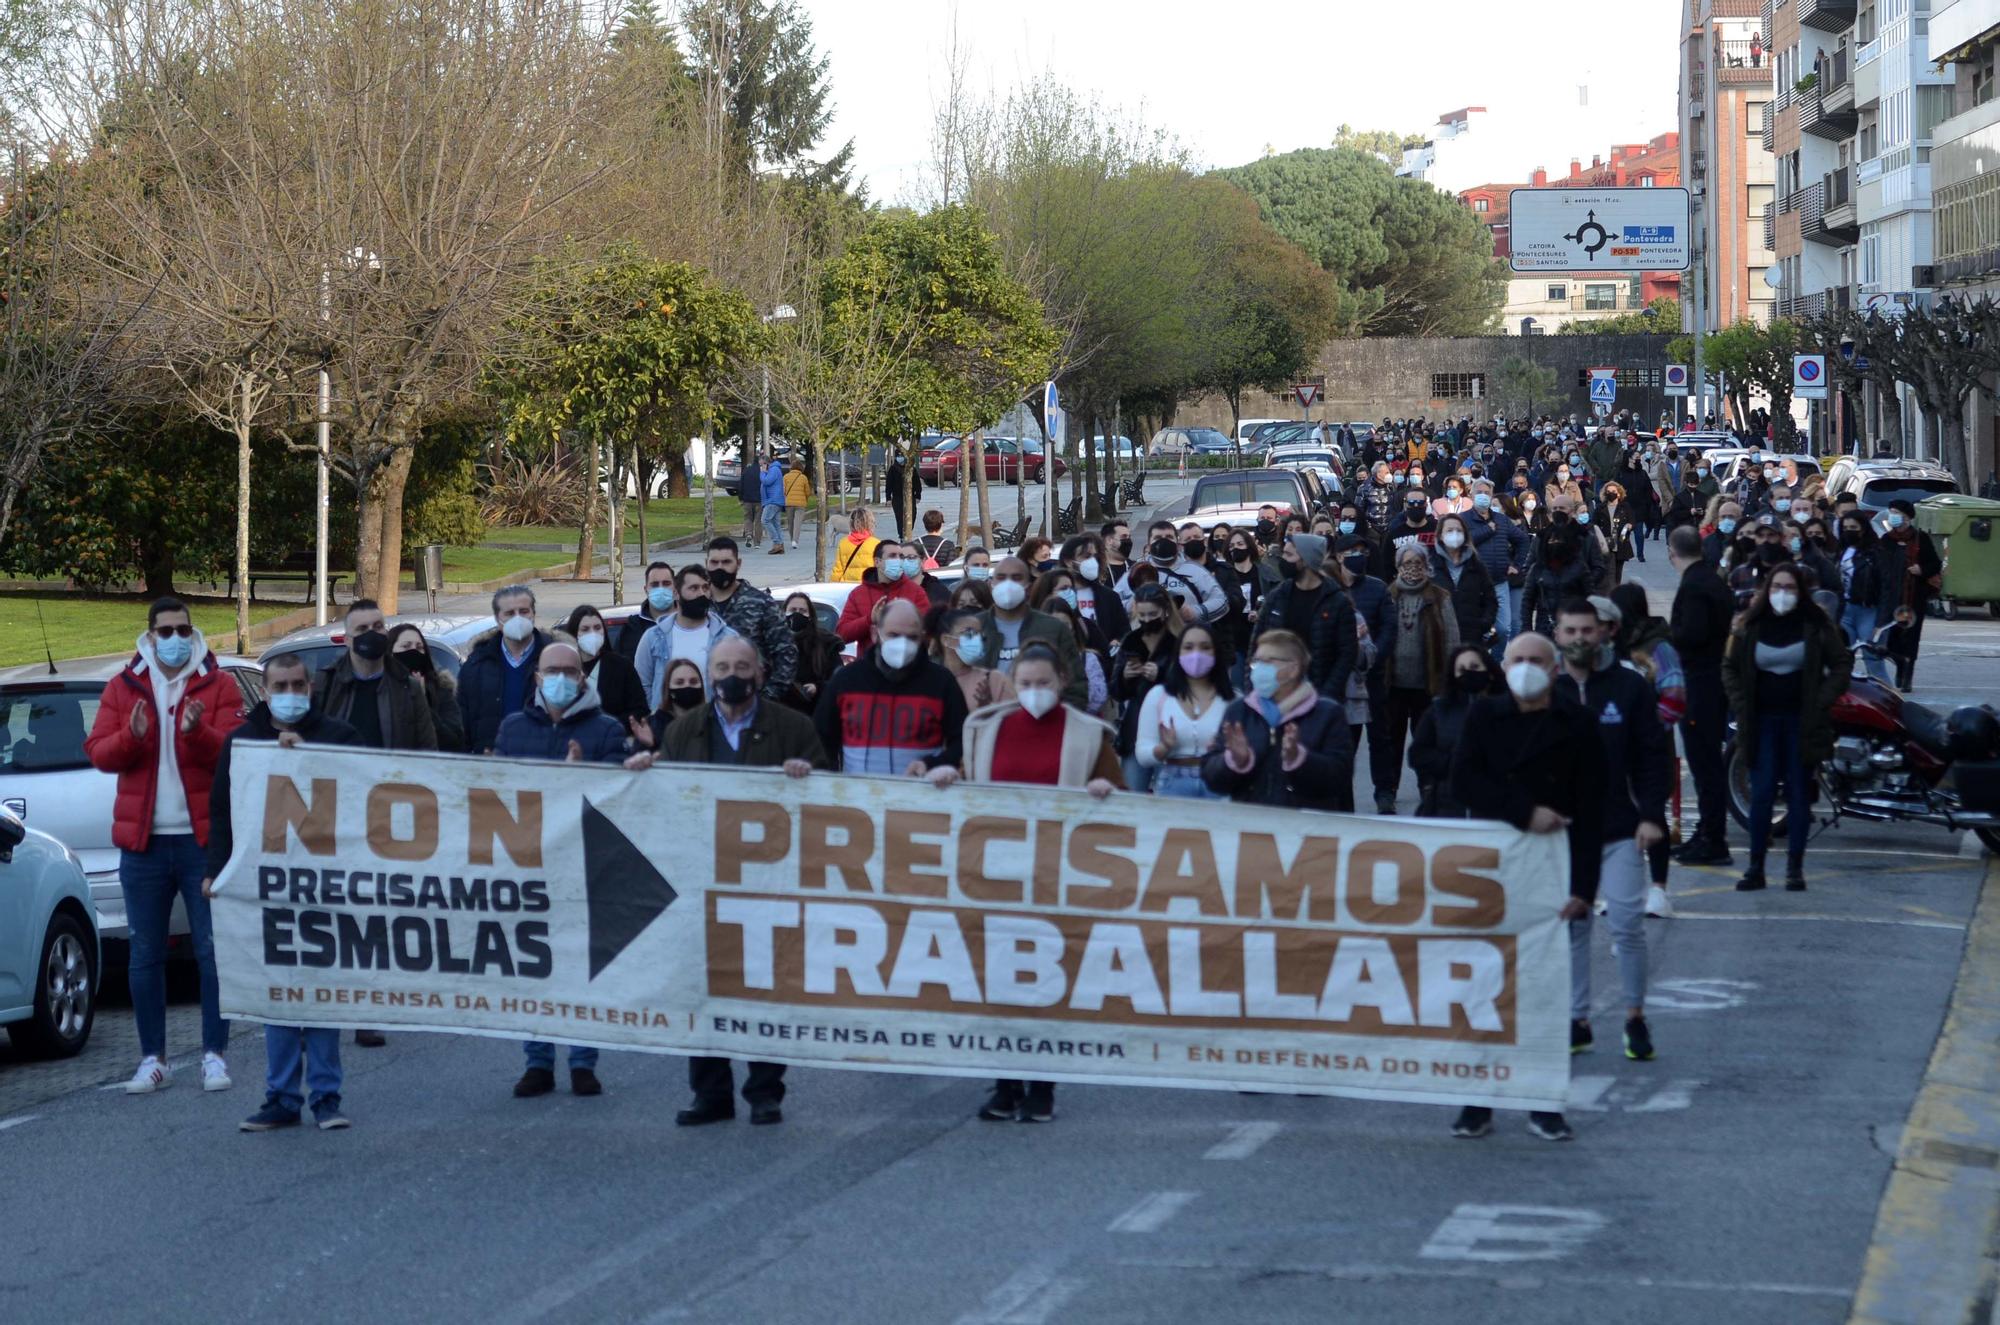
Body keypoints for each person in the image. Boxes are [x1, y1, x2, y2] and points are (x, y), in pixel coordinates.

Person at [645, 636, 826, 1126]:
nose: (731, 674)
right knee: (704, 990)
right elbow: (664, 803)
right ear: (709, 673)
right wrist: (643, 774)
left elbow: (831, 797)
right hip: (701, 884)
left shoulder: (793, 728)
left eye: (741, 666)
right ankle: (711, 1094)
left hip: (769, 885)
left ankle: (765, 1092)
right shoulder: (684, 732)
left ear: (760, 674)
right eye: (721, 665)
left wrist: (809, 776)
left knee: (765, 991)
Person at [955, 642, 1122, 1123]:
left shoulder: (1088, 735)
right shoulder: (987, 730)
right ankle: (1007, 1085)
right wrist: (948, 775)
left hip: (1058, 876)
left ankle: (1042, 1086)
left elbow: (1123, 799)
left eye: (1042, 684)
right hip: (998, 875)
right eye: (1024, 684)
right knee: (1000, 980)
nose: (1032, 693)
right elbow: (972, 786)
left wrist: (1103, 794)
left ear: (1062, 683)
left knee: (1045, 980)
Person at [1446, 632, 1604, 1143]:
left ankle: (1543, 1103)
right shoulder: (1484, 716)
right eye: (1518, 660)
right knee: (1484, 986)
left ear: (1555, 669)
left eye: (1537, 660)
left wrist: (1585, 886)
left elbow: (1593, 807)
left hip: (1552, 870)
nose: (1527, 668)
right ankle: (1477, 1101)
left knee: (1543, 991)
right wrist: (1523, 813)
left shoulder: (1577, 722)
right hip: (1493, 865)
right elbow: (1464, 782)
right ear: (1503, 666)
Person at [85, 598, 243, 1096]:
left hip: (202, 843)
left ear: (193, 633)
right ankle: (152, 1058)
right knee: (145, 955)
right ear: (149, 636)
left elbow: (234, 754)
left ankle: (214, 1054)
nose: (175, 639)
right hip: (144, 845)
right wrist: (131, 737)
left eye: (183, 629)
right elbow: (99, 753)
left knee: (211, 952)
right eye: (165, 631)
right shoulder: (122, 686)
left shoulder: (218, 683)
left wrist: (198, 733)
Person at [204, 653, 360, 1130]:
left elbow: (363, 800)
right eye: (280, 685)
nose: (289, 693)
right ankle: (282, 1098)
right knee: (277, 995)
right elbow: (222, 813)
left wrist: (308, 757)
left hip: (324, 886)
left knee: (320, 991)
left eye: (297, 684)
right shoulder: (242, 743)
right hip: (266, 888)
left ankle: (327, 1098)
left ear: (309, 688)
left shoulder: (339, 738)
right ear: (265, 691)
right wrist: (215, 872)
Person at [495, 641, 629, 1098]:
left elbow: (619, 797)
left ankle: (582, 1061)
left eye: (569, 672)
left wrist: (580, 776)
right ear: (537, 677)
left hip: (584, 865)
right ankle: (537, 1061)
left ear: (582, 678)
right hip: (530, 865)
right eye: (552, 670)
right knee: (535, 966)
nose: (560, 679)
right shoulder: (513, 729)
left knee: (578, 965)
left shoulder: (606, 730)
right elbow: (499, 794)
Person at [313, 600, 439, 1049]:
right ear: (346, 639)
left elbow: (427, 751)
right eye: (362, 627)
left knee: (381, 912)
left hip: (391, 815)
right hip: (337, 816)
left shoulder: (406, 686)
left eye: (378, 625)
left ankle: (370, 1006)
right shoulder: (326, 684)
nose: (372, 633)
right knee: (343, 911)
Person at [1553, 599, 1668, 1062]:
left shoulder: (1629, 687)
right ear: (1558, 635)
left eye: (1587, 630)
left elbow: (1652, 756)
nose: (1580, 638)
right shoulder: (1548, 690)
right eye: (1571, 631)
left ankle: (1635, 1017)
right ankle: (1576, 1020)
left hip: (1619, 827)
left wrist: (1650, 816)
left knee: (1626, 925)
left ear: (1603, 633)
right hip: (1562, 833)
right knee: (1572, 928)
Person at [1723, 566, 1850, 892]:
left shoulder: (1816, 625)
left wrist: (1822, 699)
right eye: (1777, 586)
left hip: (1801, 722)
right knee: (1762, 793)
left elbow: (1841, 663)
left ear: (1801, 591)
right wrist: (1740, 701)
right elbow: (1730, 667)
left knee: (1798, 795)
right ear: (1767, 589)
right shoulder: (1750, 625)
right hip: (1761, 721)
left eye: (1789, 587)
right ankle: (1755, 868)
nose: (1782, 593)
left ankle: (1795, 868)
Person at [1200, 628, 1354, 810]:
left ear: (1294, 668)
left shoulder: (1327, 714)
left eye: (1268, 662)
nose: (1258, 669)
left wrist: (1300, 759)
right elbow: (1212, 779)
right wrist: (1234, 761)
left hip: (1307, 829)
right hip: (1251, 826)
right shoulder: (1240, 710)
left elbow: (1339, 778)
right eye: (1256, 662)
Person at [815, 598, 968, 778]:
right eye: (894, 635)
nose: (902, 645)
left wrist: (934, 765)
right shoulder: (847, 680)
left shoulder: (942, 682)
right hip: (858, 798)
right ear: (875, 634)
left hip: (920, 797)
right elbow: (820, 737)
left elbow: (962, 740)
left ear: (923, 638)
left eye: (911, 637)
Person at [1610, 583, 1685, 919]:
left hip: (1650, 746)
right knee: (1620, 819)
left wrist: (1650, 728)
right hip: (1614, 745)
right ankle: (1625, 887)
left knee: (1652, 814)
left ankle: (1659, 889)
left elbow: (1674, 694)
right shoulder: (1611, 647)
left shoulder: (1658, 647)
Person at [1668, 525, 1737, 867]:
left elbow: (1691, 634)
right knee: (1706, 764)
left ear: (1671, 552)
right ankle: (1708, 832)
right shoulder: (1712, 580)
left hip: (1700, 684)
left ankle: (1714, 839)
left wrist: (1667, 636)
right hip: (1710, 681)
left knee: (1705, 765)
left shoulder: (1695, 586)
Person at [1373, 545, 1461, 813]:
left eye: (1418, 562)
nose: (1412, 567)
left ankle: (1428, 788)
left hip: (1428, 684)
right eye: (1407, 562)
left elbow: (1452, 639)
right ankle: (1387, 792)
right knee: (1390, 742)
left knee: (1426, 742)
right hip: (1393, 684)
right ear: (1398, 566)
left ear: (1426, 565)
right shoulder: (1387, 595)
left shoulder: (1439, 596)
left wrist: (1449, 681)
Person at [1134, 622, 1231, 799]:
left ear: (1216, 652)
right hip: (1172, 784)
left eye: (1205, 647)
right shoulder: (1158, 696)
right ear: (1178, 654)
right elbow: (1143, 754)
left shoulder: (1232, 700)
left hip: (1220, 783)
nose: (1196, 654)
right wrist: (1163, 748)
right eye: (1188, 647)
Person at [977, 556, 1087, 706]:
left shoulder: (1054, 628)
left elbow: (1076, 686)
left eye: (1016, 578)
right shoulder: (973, 628)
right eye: (1001, 578)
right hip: (989, 723)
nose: (1008, 584)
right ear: (991, 585)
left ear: (1028, 587)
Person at [457, 585, 551, 753]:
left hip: (542, 764)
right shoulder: (475, 666)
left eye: (523, 611)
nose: (517, 618)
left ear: (533, 614)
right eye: (509, 613)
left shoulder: (557, 659)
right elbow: (462, 726)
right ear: (497, 619)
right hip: (491, 765)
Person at [633, 565, 741, 709]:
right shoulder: (653, 637)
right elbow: (642, 684)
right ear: (676, 594)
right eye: (694, 588)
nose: (701, 594)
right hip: (667, 726)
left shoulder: (728, 638)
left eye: (705, 588)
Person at [705, 537, 798, 701]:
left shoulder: (761, 603)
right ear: (706, 563)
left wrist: (766, 698)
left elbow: (786, 653)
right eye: (714, 562)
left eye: (726, 562)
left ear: (738, 563)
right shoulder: (698, 605)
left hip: (752, 704)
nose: (720, 568)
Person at [1407, 645, 1492, 817]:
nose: (1469, 673)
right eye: (1461, 669)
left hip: (1492, 807)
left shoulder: (1503, 708)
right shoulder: (1438, 710)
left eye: (1475, 667)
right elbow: (1418, 754)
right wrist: (1453, 763)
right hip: (1448, 806)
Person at [1113, 585, 1180, 792]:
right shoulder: (1131, 641)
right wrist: (1125, 677)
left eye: (1153, 614)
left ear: (1165, 611)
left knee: (1167, 796)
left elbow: (1191, 684)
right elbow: (1116, 691)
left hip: (1171, 727)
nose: (1147, 620)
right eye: (1142, 615)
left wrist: (1162, 676)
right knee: (1132, 794)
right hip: (1136, 728)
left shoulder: (1179, 642)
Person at [1876, 499, 1942, 689]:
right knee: (1891, 639)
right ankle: (1900, 662)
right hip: (1891, 599)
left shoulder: (1920, 538)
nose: (1893, 517)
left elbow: (1935, 563)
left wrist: (1921, 569)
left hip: (1914, 599)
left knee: (1911, 638)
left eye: (1897, 513)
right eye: (1891, 512)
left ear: (1908, 517)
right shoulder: (1887, 540)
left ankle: (1907, 677)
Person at [565, 605, 649, 725]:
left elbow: (640, 709)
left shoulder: (622, 666)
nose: (592, 633)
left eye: (597, 628)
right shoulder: (563, 667)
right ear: (574, 633)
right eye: (585, 629)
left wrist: (609, 726)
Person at [387, 623, 464, 753]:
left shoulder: (441, 689)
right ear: (390, 652)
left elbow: (453, 741)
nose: (414, 651)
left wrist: (421, 701)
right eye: (406, 646)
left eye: (419, 647)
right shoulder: (380, 689)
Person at [836, 540, 930, 645]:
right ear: (877, 562)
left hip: (907, 658)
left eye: (901, 556)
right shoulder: (858, 594)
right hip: (870, 660)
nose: (898, 560)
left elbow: (928, 630)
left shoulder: (916, 591)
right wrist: (870, 619)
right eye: (892, 556)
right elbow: (842, 634)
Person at [1429, 513, 1497, 648]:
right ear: (1440, 535)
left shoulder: (1476, 565)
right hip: (1439, 637)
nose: (1454, 534)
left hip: (1471, 637)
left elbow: (1490, 598)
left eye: (1459, 530)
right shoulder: (1430, 565)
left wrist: (1484, 623)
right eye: (1449, 530)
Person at [935, 606, 1017, 711]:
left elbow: (1013, 720)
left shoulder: (993, 680)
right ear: (946, 640)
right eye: (969, 634)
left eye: (980, 635)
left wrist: (988, 709)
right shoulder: (931, 680)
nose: (977, 640)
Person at [782, 592, 843, 712]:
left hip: (814, 712)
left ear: (810, 616)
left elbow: (838, 680)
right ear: (783, 613)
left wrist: (818, 688)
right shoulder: (773, 641)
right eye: (793, 610)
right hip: (780, 713)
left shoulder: (826, 644)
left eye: (802, 610)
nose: (797, 614)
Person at [616, 562, 678, 660]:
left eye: (666, 583)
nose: (661, 588)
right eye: (655, 585)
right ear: (646, 590)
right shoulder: (631, 629)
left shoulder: (687, 624)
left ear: (675, 588)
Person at [832, 507, 881, 583]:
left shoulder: (843, 543)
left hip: (848, 587)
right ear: (870, 523)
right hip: (868, 587)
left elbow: (837, 570)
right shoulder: (876, 544)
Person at [759, 453, 787, 553]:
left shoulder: (774, 470)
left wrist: (762, 472)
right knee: (776, 524)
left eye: (761, 464)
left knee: (765, 520)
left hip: (773, 500)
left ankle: (777, 543)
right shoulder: (773, 470)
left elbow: (766, 481)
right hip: (775, 500)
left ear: (766, 463)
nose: (761, 467)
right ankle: (780, 545)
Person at [737, 447, 764, 548]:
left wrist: (741, 498)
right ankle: (757, 542)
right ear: (760, 461)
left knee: (748, 518)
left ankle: (748, 534)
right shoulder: (762, 472)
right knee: (758, 521)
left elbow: (740, 485)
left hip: (747, 499)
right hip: (759, 500)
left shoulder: (746, 471)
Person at [783, 458, 812, 550]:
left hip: (789, 503)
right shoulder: (803, 478)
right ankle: (795, 540)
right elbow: (807, 492)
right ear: (801, 468)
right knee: (797, 523)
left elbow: (783, 490)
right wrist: (805, 499)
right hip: (800, 504)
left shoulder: (786, 477)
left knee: (790, 523)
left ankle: (792, 540)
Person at [885, 452, 909, 541]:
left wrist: (917, 495)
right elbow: (889, 485)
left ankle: (908, 531)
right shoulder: (893, 469)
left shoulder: (909, 468)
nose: (900, 458)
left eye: (902, 456)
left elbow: (916, 481)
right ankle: (902, 535)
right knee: (899, 517)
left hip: (909, 497)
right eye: (898, 456)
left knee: (911, 515)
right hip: (897, 497)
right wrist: (888, 498)